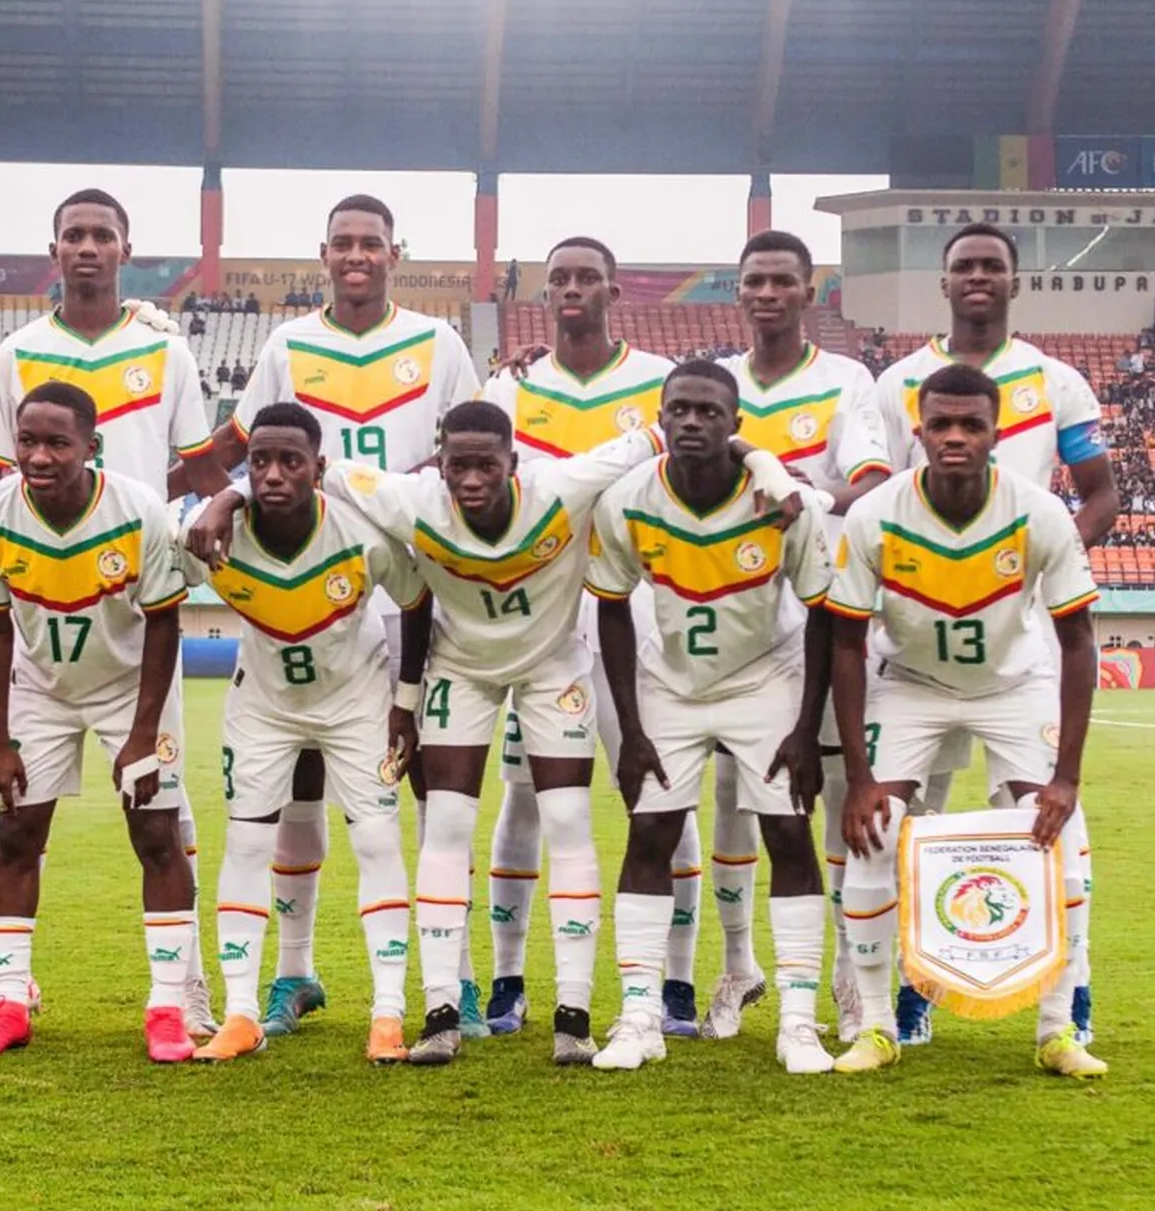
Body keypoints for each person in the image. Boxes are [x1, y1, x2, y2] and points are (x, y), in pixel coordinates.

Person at [189, 383, 804, 1065]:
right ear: (439, 466)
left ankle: (573, 1012)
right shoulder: (408, 498)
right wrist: (229, 495)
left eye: (488, 466)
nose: (473, 480)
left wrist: (770, 468)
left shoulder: (564, 484)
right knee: (446, 829)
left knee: (568, 823)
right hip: (464, 670)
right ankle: (440, 1007)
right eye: (459, 467)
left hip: (551, 669)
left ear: (515, 463)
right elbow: (300, 470)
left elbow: (688, 437)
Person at [168, 195, 481, 1040]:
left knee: (421, 776)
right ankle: (295, 971)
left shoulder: (439, 344)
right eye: (342, 243)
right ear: (323, 253)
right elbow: (257, 443)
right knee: (296, 781)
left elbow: (468, 450)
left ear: (395, 253)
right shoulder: (286, 344)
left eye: (370, 243)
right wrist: (217, 494)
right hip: (305, 577)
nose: (356, 255)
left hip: (407, 581)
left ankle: (455, 973)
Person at [0, 188, 223, 1034]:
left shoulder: (166, 351)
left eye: (103, 235)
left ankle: (181, 988)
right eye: (74, 235)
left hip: (134, 589)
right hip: (43, 608)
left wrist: (225, 519)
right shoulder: (17, 353)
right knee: (20, 825)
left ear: (127, 247)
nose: (88, 247)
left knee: (164, 813)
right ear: (54, 249)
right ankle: (9, 990)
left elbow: (197, 467)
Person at [873, 221, 1118, 1047]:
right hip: (915, 637)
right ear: (942, 283)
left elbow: (1101, 490)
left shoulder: (1056, 381)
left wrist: (1036, 571)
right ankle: (917, 990)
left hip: (1022, 639)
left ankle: (1069, 1003)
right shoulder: (900, 379)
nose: (978, 277)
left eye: (993, 266)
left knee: (1049, 819)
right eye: (963, 267)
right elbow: (876, 493)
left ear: (1015, 281)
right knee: (914, 821)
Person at [827, 362, 1107, 1079]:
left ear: (996, 432)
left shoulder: (1039, 512)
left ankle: (1058, 1030)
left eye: (971, 425)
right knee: (870, 837)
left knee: (1063, 842)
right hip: (913, 683)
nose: (955, 437)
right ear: (916, 430)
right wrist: (859, 776)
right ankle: (875, 1027)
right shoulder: (874, 515)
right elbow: (844, 642)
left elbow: (1078, 641)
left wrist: (1066, 777)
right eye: (941, 424)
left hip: (1013, 685)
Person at [587, 362, 836, 1072]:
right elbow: (611, 605)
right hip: (671, 683)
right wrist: (632, 728)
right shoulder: (629, 498)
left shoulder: (783, 503)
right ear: (658, 420)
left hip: (767, 678)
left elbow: (821, 613)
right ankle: (639, 1015)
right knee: (651, 832)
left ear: (735, 425)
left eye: (708, 411)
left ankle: (797, 1020)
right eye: (679, 411)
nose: (692, 422)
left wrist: (804, 729)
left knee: (789, 833)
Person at [0, 381, 200, 1063]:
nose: (38, 454)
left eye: (57, 441)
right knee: (16, 832)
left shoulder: (137, 507)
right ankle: (6, 998)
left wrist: (145, 733)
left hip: (129, 687)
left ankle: (169, 1006)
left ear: (90, 446)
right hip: (41, 686)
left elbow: (165, 619)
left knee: (155, 834)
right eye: (28, 439)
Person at [475, 236, 681, 1036]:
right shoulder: (512, 386)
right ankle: (505, 977)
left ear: (613, 289)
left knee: (658, 789)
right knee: (524, 791)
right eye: (558, 277)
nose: (571, 289)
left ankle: (667, 983)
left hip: (638, 605)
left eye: (585, 277)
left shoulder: (658, 383)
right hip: (545, 610)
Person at [180, 404, 429, 1064]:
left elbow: (417, 599)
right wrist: (213, 506)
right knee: (245, 842)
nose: (273, 473)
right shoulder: (210, 540)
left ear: (319, 468)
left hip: (355, 702)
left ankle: (387, 1013)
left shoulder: (362, 531)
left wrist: (405, 702)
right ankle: (238, 1013)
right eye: (259, 460)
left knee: (376, 839)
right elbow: (155, 595)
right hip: (263, 705)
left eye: (291, 460)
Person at [710, 228, 893, 1046]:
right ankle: (738, 963)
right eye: (755, 281)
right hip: (730, 617)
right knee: (727, 803)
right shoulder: (716, 383)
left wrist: (800, 498)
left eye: (783, 280)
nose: (768, 293)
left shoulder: (847, 380)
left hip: (820, 615)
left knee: (821, 801)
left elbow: (869, 487)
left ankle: (851, 978)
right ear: (740, 292)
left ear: (809, 290)